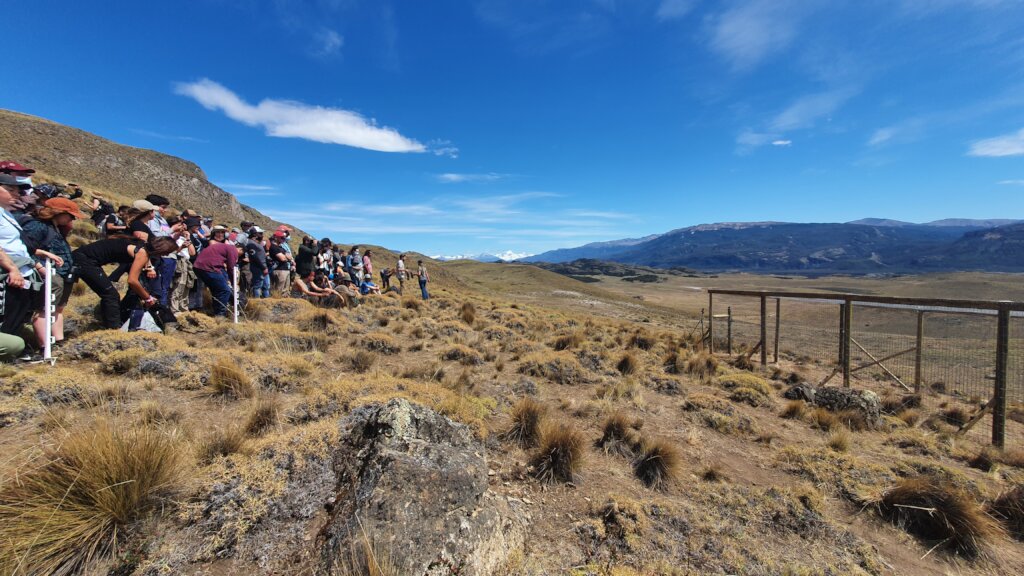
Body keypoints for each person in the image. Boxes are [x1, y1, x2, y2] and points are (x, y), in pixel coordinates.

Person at [72, 236, 178, 329]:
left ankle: (107, 324)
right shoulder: (142, 253)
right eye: (167, 252)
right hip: (85, 260)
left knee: (110, 294)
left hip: (82, 256)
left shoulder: (143, 245)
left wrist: (149, 267)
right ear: (161, 249)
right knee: (111, 295)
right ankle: (114, 330)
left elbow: (145, 256)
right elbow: (132, 281)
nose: (166, 254)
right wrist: (148, 298)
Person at [22, 198, 82, 347]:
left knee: (58, 308)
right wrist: (40, 268)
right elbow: (25, 249)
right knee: (44, 308)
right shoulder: (37, 226)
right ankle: (45, 346)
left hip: (62, 273)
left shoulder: (56, 228)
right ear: (58, 212)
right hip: (49, 272)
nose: (72, 219)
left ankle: (58, 341)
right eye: (70, 215)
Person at [0, 174, 43, 340]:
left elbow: (14, 244)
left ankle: (12, 350)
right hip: (8, 274)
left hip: (20, 272)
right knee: (6, 317)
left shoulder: (7, 214)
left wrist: (36, 261)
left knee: (17, 315)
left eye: (17, 191)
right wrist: (12, 269)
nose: (16, 194)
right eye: (10, 190)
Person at [193, 225, 238, 317]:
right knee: (224, 290)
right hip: (208, 267)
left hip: (198, 266)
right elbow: (231, 267)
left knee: (217, 290)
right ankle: (220, 315)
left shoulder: (221, 247)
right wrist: (234, 282)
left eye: (222, 232)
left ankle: (216, 311)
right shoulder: (232, 249)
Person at [144, 194, 178, 307]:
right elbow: (157, 236)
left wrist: (177, 234)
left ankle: (161, 307)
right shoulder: (153, 220)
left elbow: (167, 237)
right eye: (163, 207)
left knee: (163, 285)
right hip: (158, 255)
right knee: (159, 285)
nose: (165, 210)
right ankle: (158, 308)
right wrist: (172, 229)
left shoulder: (162, 220)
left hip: (165, 255)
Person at [245, 227, 269, 299]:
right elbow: (255, 257)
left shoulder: (255, 243)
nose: (262, 235)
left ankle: (265, 299)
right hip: (258, 268)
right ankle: (256, 300)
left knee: (265, 285)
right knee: (257, 285)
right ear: (255, 234)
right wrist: (263, 268)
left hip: (261, 267)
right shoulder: (251, 244)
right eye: (260, 233)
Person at [269, 231, 291, 295]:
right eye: (282, 238)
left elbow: (290, 257)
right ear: (276, 238)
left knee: (285, 290)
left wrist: (286, 257)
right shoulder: (273, 247)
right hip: (279, 270)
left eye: (284, 238)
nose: (284, 239)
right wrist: (286, 257)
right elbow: (282, 258)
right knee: (278, 289)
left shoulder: (281, 247)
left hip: (285, 269)